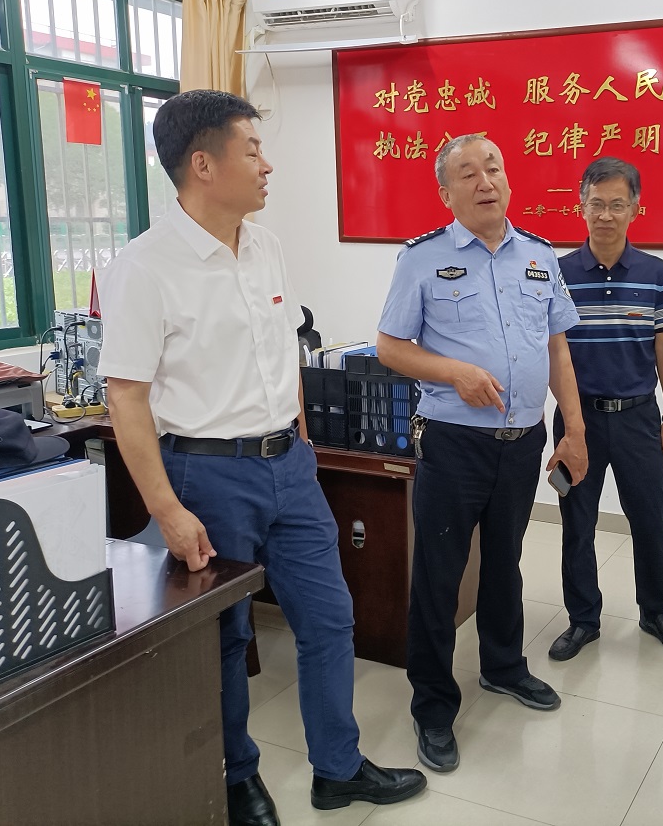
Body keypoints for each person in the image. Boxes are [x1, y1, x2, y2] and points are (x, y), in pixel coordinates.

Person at [99, 90, 425, 826]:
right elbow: (127, 399)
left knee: (330, 617)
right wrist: (167, 510)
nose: (267, 164)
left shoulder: (265, 246)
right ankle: (236, 779)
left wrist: (300, 437)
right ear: (203, 164)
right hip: (206, 475)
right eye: (252, 150)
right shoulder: (145, 267)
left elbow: (285, 351)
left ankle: (337, 768)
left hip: (289, 467)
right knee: (226, 636)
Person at [375, 134, 588, 775]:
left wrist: (574, 431)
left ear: (507, 178)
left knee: (504, 562)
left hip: (522, 442)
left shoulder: (540, 256)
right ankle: (433, 705)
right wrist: (453, 373)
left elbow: (557, 349)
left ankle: (502, 667)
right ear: (447, 193)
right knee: (439, 576)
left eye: (493, 167)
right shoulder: (421, 259)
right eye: (467, 173)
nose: (484, 180)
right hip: (454, 444)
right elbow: (390, 347)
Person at [547, 157, 663, 662]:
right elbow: (553, 351)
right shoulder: (558, 273)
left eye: (617, 204)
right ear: (580, 207)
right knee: (577, 522)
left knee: (650, 519)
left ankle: (656, 611)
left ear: (635, 209)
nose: (605, 215)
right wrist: (570, 423)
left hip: (638, 417)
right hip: (577, 419)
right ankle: (583, 619)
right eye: (596, 204)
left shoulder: (657, 274)